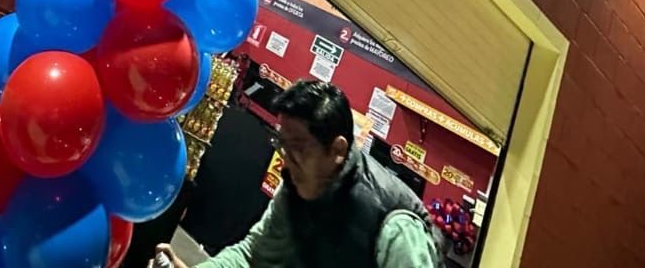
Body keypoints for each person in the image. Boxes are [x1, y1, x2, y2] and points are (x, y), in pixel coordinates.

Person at [157, 80, 446, 268]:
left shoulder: (394, 226)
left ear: (337, 149)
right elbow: (253, 253)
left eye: (297, 147)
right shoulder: (295, 188)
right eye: (281, 144)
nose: (286, 161)